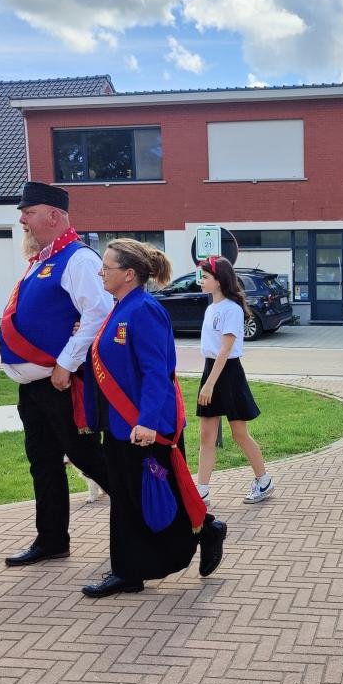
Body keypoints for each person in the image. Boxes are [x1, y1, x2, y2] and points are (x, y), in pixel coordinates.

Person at [82, 239, 226, 598]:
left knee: (151, 497)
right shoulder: (121, 306)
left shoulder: (144, 310)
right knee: (133, 499)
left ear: (129, 274)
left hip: (145, 427)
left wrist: (146, 421)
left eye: (107, 267)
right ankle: (133, 569)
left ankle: (193, 537)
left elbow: (155, 371)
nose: (101, 272)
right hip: (121, 424)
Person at [0, 180, 113, 567]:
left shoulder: (78, 259)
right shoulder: (41, 261)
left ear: (53, 215)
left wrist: (65, 364)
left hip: (61, 384)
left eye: (28, 212)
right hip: (36, 388)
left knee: (90, 460)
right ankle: (51, 540)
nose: (22, 220)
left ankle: (156, 523)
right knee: (43, 462)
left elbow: (98, 314)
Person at [195, 256, 274, 505]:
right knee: (206, 437)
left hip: (228, 373)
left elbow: (225, 349)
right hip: (211, 369)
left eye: (205, 277)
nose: (201, 281)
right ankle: (202, 491)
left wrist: (210, 384)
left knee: (239, 433)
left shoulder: (232, 309)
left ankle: (264, 481)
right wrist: (208, 380)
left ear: (219, 281)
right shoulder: (211, 308)